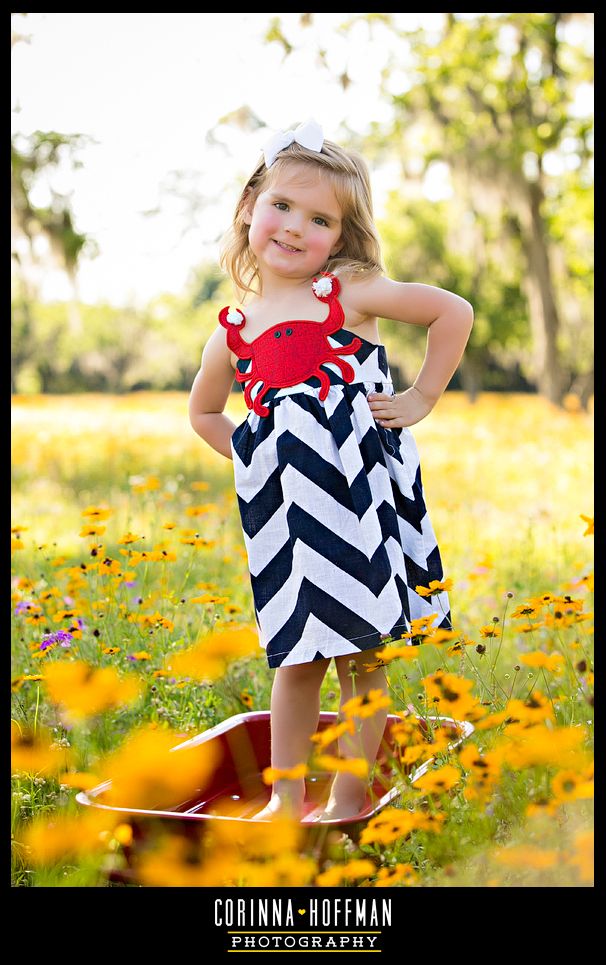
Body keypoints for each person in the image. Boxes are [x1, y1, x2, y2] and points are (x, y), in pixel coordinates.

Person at [188, 119, 473, 822]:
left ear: (341, 238)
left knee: (363, 658)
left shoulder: (344, 292)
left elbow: (451, 312)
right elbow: (204, 414)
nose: (293, 227)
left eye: (318, 219)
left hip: (356, 508)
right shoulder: (235, 330)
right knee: (295, 660)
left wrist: (420, 396)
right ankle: (285, 801)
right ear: (250, 204)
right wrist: (260, 458)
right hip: (289, 524)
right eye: (281, 205)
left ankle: (349, 797)